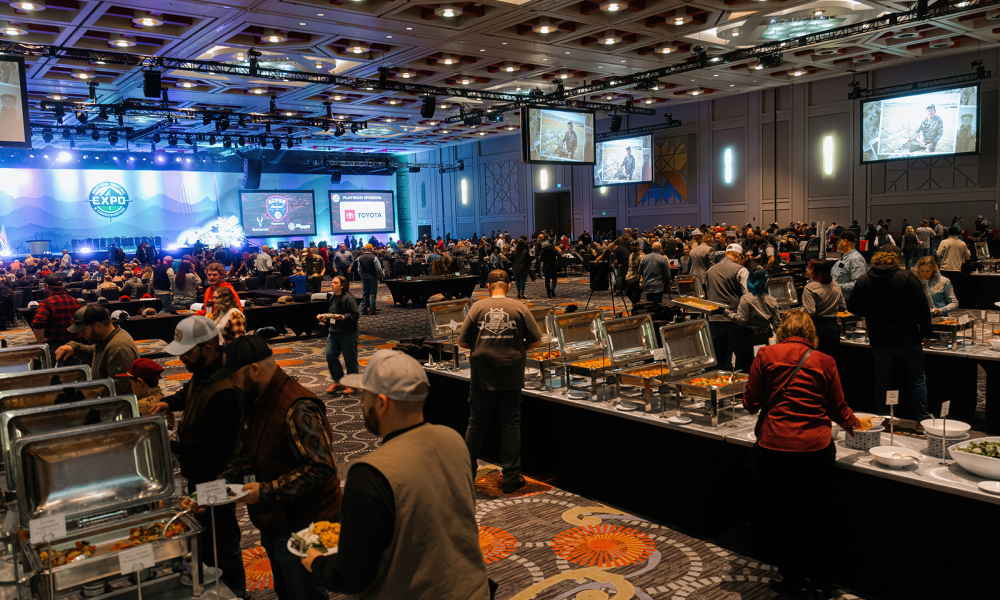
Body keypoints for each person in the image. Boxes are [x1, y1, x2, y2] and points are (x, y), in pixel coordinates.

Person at [302, 350, 491, 599]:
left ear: (381, 403)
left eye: (365, 397)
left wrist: (315, 561)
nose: (361, 404)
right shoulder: (453, 439)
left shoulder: (369, 473)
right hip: (473, 590)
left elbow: (351, 577)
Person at [743, 311, 871, 597]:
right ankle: (822, 578)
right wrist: (852, 424)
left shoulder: (765, 355)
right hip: (816, 449)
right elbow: (838, 407)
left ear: (782, 330)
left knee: (784, 517)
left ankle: (793, 578)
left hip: (776, 448)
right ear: (811, 334)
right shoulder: (825, 361)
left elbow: (751, 402)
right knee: (818, 515)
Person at [214, 335, 343, 600]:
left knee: (304, 593)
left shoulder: (297, 407)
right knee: (287, 590)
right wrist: (217, 488)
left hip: (306, 522)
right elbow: (249, 453)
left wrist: (266, 490)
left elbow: (321, 467)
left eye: (234, 376)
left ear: (254, 370)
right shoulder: (256, 398)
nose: (231, 383)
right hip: (276, 519)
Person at [152, 317, 246, 597]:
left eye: (187, 352)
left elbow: (216, 448)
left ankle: (236, 592)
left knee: (222, 541)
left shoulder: (224, 390)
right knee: (206, 537)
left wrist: (173, 447)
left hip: (217, 478)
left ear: (207, 348)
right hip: (201, 474)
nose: (182, 359)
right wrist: (168, 402)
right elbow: (191, 391)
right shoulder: (206, 370)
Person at [458, 270, 543, 494]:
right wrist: (517, 349)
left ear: (488, 287)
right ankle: (511, 479)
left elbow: (463, 342)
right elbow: (537, 339)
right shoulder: (520, 307)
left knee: (476, 424)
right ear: (509, 286)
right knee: (511, 424)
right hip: (511, 372)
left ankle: (466, 477)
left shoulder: (477, 307)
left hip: (482, 374)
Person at [847, 249, 932, 428]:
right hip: (908, 338)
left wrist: (871, 312)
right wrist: (926, 332)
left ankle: (882, 420)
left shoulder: (863, 279)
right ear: (895, 261)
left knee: (883, 380)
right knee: (917, 378)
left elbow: (853, 307)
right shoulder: (906, 277)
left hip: (879, 339)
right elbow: (922, 307)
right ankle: (921, 420)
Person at [54, 305, 139, 395]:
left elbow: (114, 388)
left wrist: (85, 394)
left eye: (83, 330)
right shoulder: (105, 339)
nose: (80, 335)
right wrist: (74, 347)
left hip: (118, 406)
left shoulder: (118, 348)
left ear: (97, 325)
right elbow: (93, 353)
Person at [706, 244, 748, 372]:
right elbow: (747, 296)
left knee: (717, 357)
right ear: (738, 255)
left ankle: (716, 383)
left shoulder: (710, 271)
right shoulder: (741, 270)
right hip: (733, 318)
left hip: (713, 318)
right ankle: (731, 386)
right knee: (733, 354)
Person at [730, 269, 780, 371]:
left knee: (747, 368)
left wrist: (728, 313)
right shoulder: (772, 300)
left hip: (749, 337)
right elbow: (777, 324)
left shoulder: (746, 298)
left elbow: (742, 320)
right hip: (766, 336)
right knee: (765, 367)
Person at [319, 275, 360, 394]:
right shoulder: (332, 297)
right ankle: (339, 381)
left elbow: (355, 316)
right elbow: (332, 314)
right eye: (332, 283)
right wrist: (325, 318)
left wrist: (343, 317)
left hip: (347, 333)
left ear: (343, 285)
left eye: (335, 283)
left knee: (350, 360)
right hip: (333, 332)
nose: (332, 285)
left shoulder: (349, 298)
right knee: (330, 356)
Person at [31, 273, 80, 364]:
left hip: (55, 347)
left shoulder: (46, 304)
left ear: (46, 286)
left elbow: (38, 323)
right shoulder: (76, 301)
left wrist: (41, 341)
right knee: (76, 373)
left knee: (57, 375)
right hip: (74, 346)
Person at [801, 260, 846, 354]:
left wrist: (800, 311)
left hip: (817, 328)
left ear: (819, 272)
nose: (806, 270)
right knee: (832, 359)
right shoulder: (836, 285)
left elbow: (810, 311)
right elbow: (842, 307)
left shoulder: (809, 288)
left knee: (816, 359)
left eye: (809, 268)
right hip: (833, 328)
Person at [115, 357, 171, 425]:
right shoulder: (165, 399)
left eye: (131, 382)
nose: (131, 386)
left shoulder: (138, 406)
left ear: (140, 382)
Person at [830, 231, 867, 300]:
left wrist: (836, 286)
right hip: (839, 299)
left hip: (848, 301)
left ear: (845, 242)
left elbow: (858, 284)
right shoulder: (845, 257)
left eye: (839, 240)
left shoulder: (856, 259)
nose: (837, 242)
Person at [356, 244, 381, 316]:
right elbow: (378, 268)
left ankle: (364, 310)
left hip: (364, 277)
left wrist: (362, 277)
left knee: (365, 293)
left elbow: (359, 270)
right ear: (371, 249)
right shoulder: (374, 257)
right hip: (372, 276)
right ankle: (372, 309)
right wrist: (379, 274)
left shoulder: (360, 258)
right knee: (373, 293)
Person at [539, 234, 559, 298]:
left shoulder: (543, 250)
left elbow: (541, 259)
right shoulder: (554, 249)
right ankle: (552, 289)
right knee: (554, 279)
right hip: (553, 266)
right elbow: (560, 255)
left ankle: (548, 294)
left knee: (547, 281)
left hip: (546, 267)